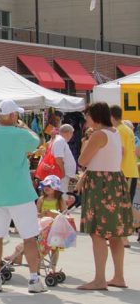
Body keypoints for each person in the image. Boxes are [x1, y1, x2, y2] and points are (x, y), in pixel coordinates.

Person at [0, 99, 47, 293]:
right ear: (13, 115)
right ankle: (33, 280)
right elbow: (37, 141)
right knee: (30, 238)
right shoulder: (20, 134)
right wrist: (22, 126)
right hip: (21, 194)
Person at [76, 102, 133, 290]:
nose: (86, 120)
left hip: (100, 184)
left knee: (98, 233)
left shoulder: (98, 134)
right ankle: (118, 276)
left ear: (95, 116)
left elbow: (82, 160)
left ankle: (99, 279)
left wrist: (86, 144)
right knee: (116, 233)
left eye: (87, 116)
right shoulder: (115, 131)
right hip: (114, 180)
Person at [4, 175, 68, 265]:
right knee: (31, 242)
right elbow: (36, 213)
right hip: (42, 227)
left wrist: (54, 214)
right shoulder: (41, 199)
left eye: (49, 186)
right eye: (45, 185)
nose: (46, 188)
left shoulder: (59, 200)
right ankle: (17, 256)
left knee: (54, 249)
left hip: (55, 228)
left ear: (56, 188)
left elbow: (64, 214)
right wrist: (43, 214)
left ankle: (53, 267)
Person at [109, 106, 139, 248]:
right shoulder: (126, 129)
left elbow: (120, 151)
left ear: (111, 116)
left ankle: (124, 237)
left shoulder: (119, 130)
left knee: (122, 206)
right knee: (123, 205)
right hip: (128, 171)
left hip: (123, 172)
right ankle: (123, 237)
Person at [51, 124, 77, 193]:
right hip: (62, 173)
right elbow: (58, 158)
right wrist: (63, 171)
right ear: (68, 133)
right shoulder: (60, 141)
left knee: (63, 191)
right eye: (72, 133)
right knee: (62, 191)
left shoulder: (61, 141)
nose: (72, 136)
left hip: (64, 173)